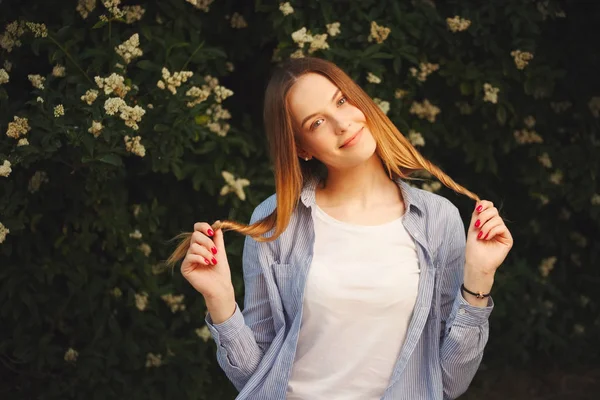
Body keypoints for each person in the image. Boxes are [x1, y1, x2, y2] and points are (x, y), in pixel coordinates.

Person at [166, 57, 513, 400]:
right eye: (317, 122)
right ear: (302, 148)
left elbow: (449, 382)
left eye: (342, 101)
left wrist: (479, 278)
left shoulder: (438, 219)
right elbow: (256, 379)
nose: (343, 124)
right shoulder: (277, 220)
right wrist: (220, 300)